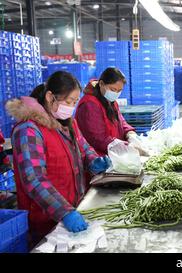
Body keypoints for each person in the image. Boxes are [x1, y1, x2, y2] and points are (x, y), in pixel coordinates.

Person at [6, 71, 112, 247]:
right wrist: (65, 212)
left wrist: (94, 161)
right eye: (68, 102)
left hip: (74, 212)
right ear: (50, 97)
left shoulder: (68, 122)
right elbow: (34, 179)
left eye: (74, 102)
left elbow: (84, 148)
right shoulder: (29, 130)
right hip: (45, 223)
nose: (71, 107)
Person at [75, 67, 147, 156]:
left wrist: (130, 133)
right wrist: (127, 147)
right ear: (101, 84)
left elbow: (121, 122)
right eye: (113, 90)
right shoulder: (89, 105)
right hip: (99, 158)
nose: (116, 93)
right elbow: (98, 139)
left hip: (114, 154)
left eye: (119, 91)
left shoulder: (110, 101)